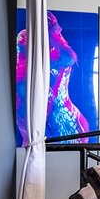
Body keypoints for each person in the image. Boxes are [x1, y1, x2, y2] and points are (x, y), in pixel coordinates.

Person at [16, 12, 90, 145]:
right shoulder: (25, 38)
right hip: (37, 123)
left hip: (67, 124)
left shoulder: (58, 45)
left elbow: (68, 59)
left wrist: (51, 35)